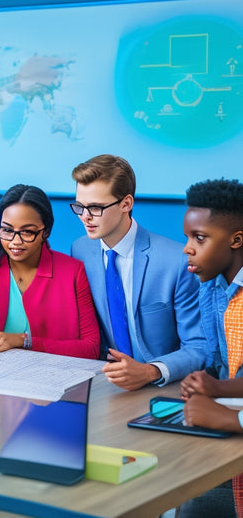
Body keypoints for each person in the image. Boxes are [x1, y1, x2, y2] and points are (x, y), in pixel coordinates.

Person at [70, 154, 209, 390]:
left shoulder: (176, 261)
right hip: (103, 382)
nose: (85, 216)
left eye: (95, 207)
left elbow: (199, 347)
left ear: (126, 204)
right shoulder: (80, 249)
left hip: (162, 384)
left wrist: (150, 371)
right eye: (80, 206)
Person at [0, 184, 100, 357]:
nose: (15, 241)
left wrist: (23, 341)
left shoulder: (73, 271)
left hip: (51, 373)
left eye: (27, 232)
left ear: (46, 232)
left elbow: (91, 348)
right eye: (7, 230)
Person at [177, 178, 243, 518]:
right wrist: (208, 383)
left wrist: (230, 414)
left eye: (199, 238)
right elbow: (224, 367)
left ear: (236, 240)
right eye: (188, 237)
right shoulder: (212, 286)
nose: (187, 248)